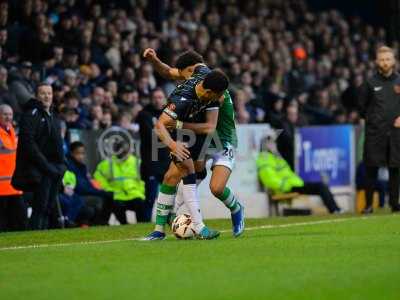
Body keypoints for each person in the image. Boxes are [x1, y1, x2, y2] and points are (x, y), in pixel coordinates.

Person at [144, 48, 244, 237]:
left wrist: (179, 126)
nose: (223, 96)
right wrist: (154, 59)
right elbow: (168, 72)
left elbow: (210, 127)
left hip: (223, 137)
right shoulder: (188, 91)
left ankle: (236, 208)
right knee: (174, 174)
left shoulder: (210, 84)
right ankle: (164, 227)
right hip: (199, 134)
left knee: (216, 188)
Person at [12, 83, 66, 230]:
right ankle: (35, 236)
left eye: (49, 93)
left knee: (49, 206)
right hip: (40, 168)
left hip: (54, 168)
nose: (47, 96)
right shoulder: (31, 114)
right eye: (43, 93)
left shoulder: (53, 115)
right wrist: (46, 166)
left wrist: (62, 164)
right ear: (37, 96)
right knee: (40, 206)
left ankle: (43, 236)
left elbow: (58, 142)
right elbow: (28, 143)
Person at [358, 46, 400, 213]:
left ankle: (394, 204)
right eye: (382, 59)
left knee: (395, 169)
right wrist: (373, 120)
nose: (385, 62)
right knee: (371, 168)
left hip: (396, 134)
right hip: (375, 134)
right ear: (377, 61)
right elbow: (361, 107)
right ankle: (369, 205)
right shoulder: (370, 83)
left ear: (393, 61)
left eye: (388, 59)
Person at [256, 132, 342, 214]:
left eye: (273, 143)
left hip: (294, 184)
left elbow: (287, 173)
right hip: (287, 187)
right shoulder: (264, 159)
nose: (273, 145)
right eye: (270, 143)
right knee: (320, 186)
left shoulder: (276, 157)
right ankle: (334, 210)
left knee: (321, 185)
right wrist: (285, 185)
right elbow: (269, 179)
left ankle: (335, 209)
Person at [136, 88, 170, 221]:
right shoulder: (144, 115)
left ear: (165, 99)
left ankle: (169, 221)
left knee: (168, 196)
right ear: (151, 99)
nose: (158, 100)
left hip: (166, 162)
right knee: (150, 196)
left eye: (160, 97)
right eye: (155, 97)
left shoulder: (169, 114)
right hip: (151, 163)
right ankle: (144, 222)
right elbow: (151, 136)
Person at [94, 141, 146, 224]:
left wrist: (141, 191)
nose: (123, 154)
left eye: (125, 152)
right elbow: (98, 176)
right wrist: (108, 189)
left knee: (141, 205)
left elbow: (144, 179)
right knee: (115, 204)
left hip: (135, 194)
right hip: (117, 195)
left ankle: (141, 224)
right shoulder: (108, 163)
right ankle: (124, 224)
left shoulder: (136, 162)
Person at [66, 141, 114, 225]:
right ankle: (101, 223)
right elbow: (80, 187)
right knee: (100, 199)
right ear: (71, 153)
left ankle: (101, 222)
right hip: (78, 196)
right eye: (77, 153)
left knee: (107, 195)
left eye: (82, 153)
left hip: (85, 193)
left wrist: (98, 190)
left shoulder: (81, 166)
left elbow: (87, 184)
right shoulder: (70, 167)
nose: (81, 156)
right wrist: (98, 192)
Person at [0, 104, 27, 231]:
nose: (8, 117)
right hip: (2, 188)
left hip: (15, 186)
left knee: (20, 220)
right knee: (4, 223)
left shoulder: (12, 131)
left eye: (10, 114)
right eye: (5, 114)